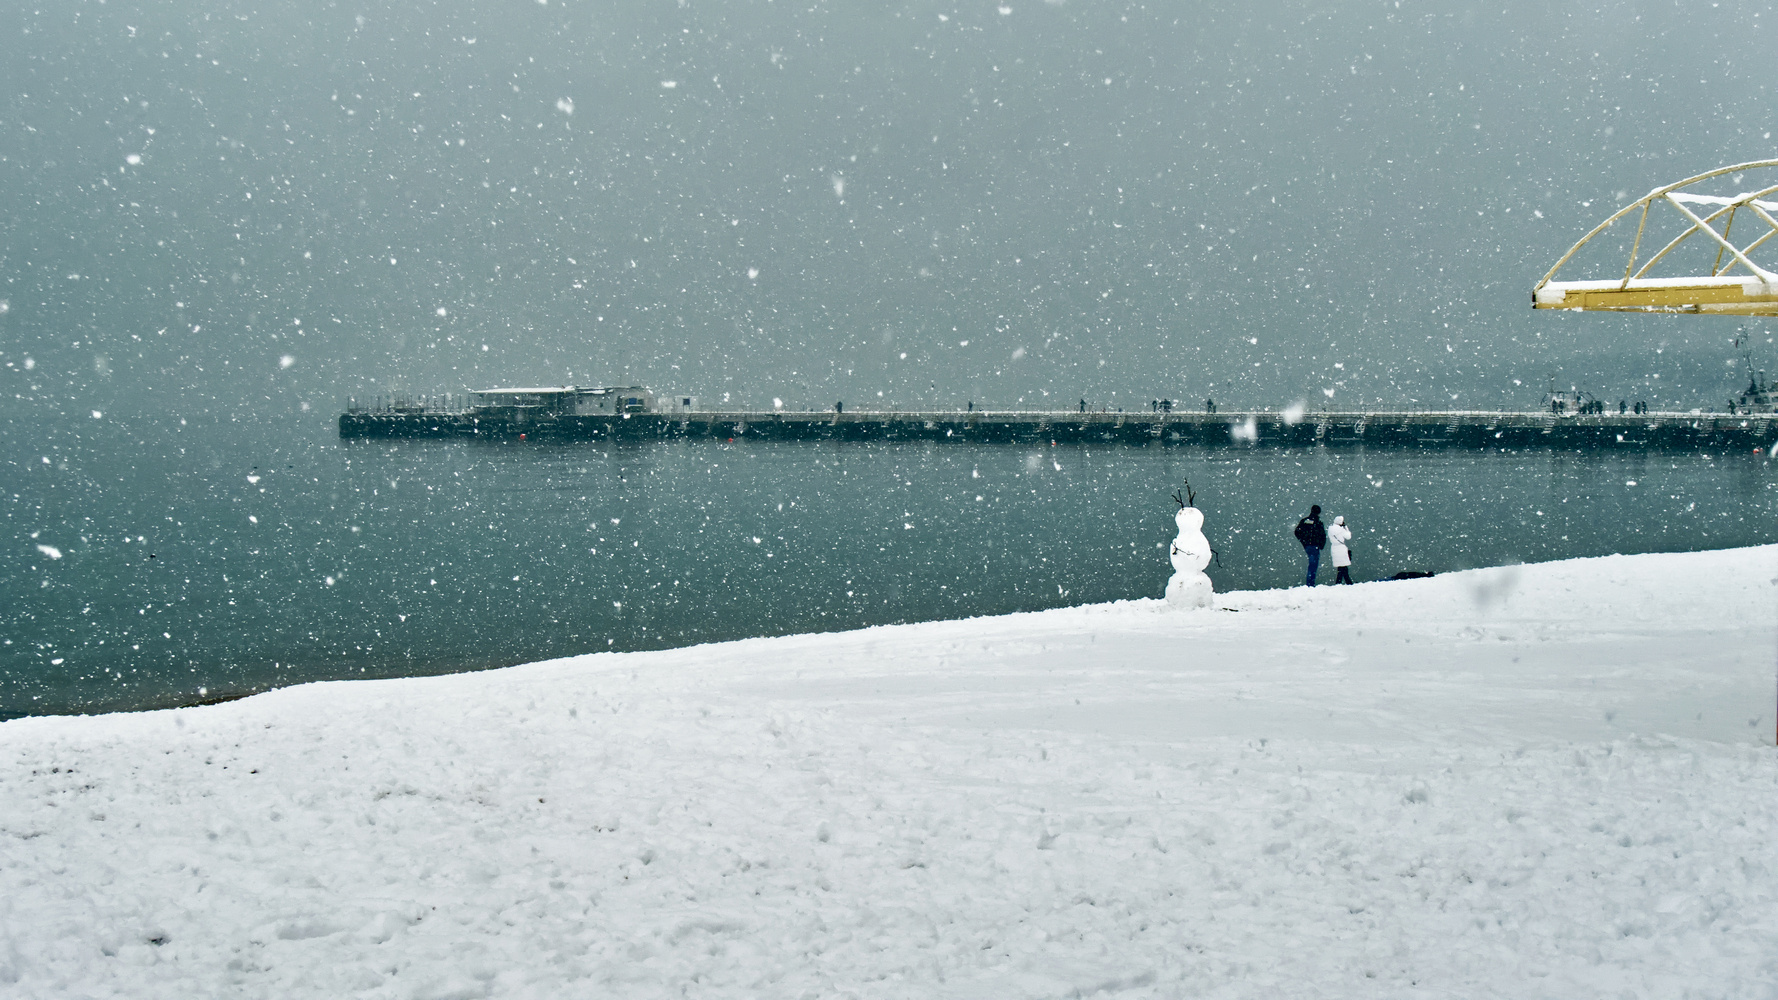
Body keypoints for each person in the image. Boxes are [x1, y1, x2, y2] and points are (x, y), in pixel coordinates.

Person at [1293, 505, 1328, 586]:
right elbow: (1322, 535)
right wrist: (1321, 545)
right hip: (1315, 546)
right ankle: (1310, 584)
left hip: (1307, 546)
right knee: (1313, 565)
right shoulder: (1318, 522)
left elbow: (1297, 532)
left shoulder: (1305, 521)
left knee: (1311, 564)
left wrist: (1303, 541)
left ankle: (1310, 583)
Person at [1328, 515, 1353, 585]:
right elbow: (1348, 536)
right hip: (1341, 548)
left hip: (1334, 548)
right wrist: (1346, 527)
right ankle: (1346, 582)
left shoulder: (1330, 529)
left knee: (1340, 566)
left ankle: (1342, 581)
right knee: (1343, 566)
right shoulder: (1341, 530)